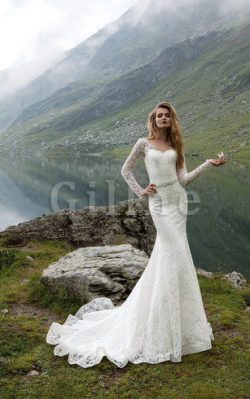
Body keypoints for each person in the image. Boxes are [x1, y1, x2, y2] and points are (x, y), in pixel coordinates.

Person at [46, 101, 227, 368]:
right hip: (159, 203)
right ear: (153, 120)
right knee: (171, 252)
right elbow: (125, 169)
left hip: (178, 202)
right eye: (159, 116)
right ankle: (158, 324)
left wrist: (209, 164)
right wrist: (141, 190)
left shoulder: (177, 146)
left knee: (176, 258)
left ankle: (178, 326)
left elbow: (184, 180)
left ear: (171, 119)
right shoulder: (144, 144)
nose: (163, 118)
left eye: (167, 115)